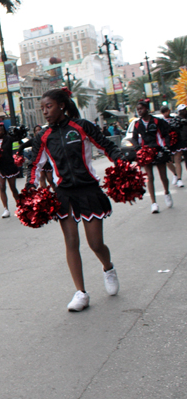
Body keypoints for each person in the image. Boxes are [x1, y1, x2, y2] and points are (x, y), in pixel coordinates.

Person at [28, 88, 122, 312]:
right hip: (64, 194)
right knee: (71, 242)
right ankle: (81, 293)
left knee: (95, 243)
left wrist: (121, 160)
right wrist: (30, 189)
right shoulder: (43, 136)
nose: (45, 112)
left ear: (61, 105)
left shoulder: (81, 126)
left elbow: (106, 146)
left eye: (48, 106)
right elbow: (35, 165)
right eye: (42, 108)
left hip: (88, 190)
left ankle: (108, 268)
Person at [132, 99, 172, 213]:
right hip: (145, 153)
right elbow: (134, 138)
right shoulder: (137, 124)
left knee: (163, 175)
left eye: (141, 108)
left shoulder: (157, 121)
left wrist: (165, 147)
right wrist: (138, 148)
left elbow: (165, 135)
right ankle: (154, 203)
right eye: (138, 109)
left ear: (147, 109)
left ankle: (167, 193)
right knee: (150, 177)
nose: (139, 111)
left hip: (158, 150)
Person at [162, 105, 185, 188]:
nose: (166, 113)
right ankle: (175, 174)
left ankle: (179, 179)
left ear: (169, 111)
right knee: (168, 161)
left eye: (167, 111)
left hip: (177, 142)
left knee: (178, 160)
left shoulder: (175, 119)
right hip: (167, 143)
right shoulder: (161, 122)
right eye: (164, 112)